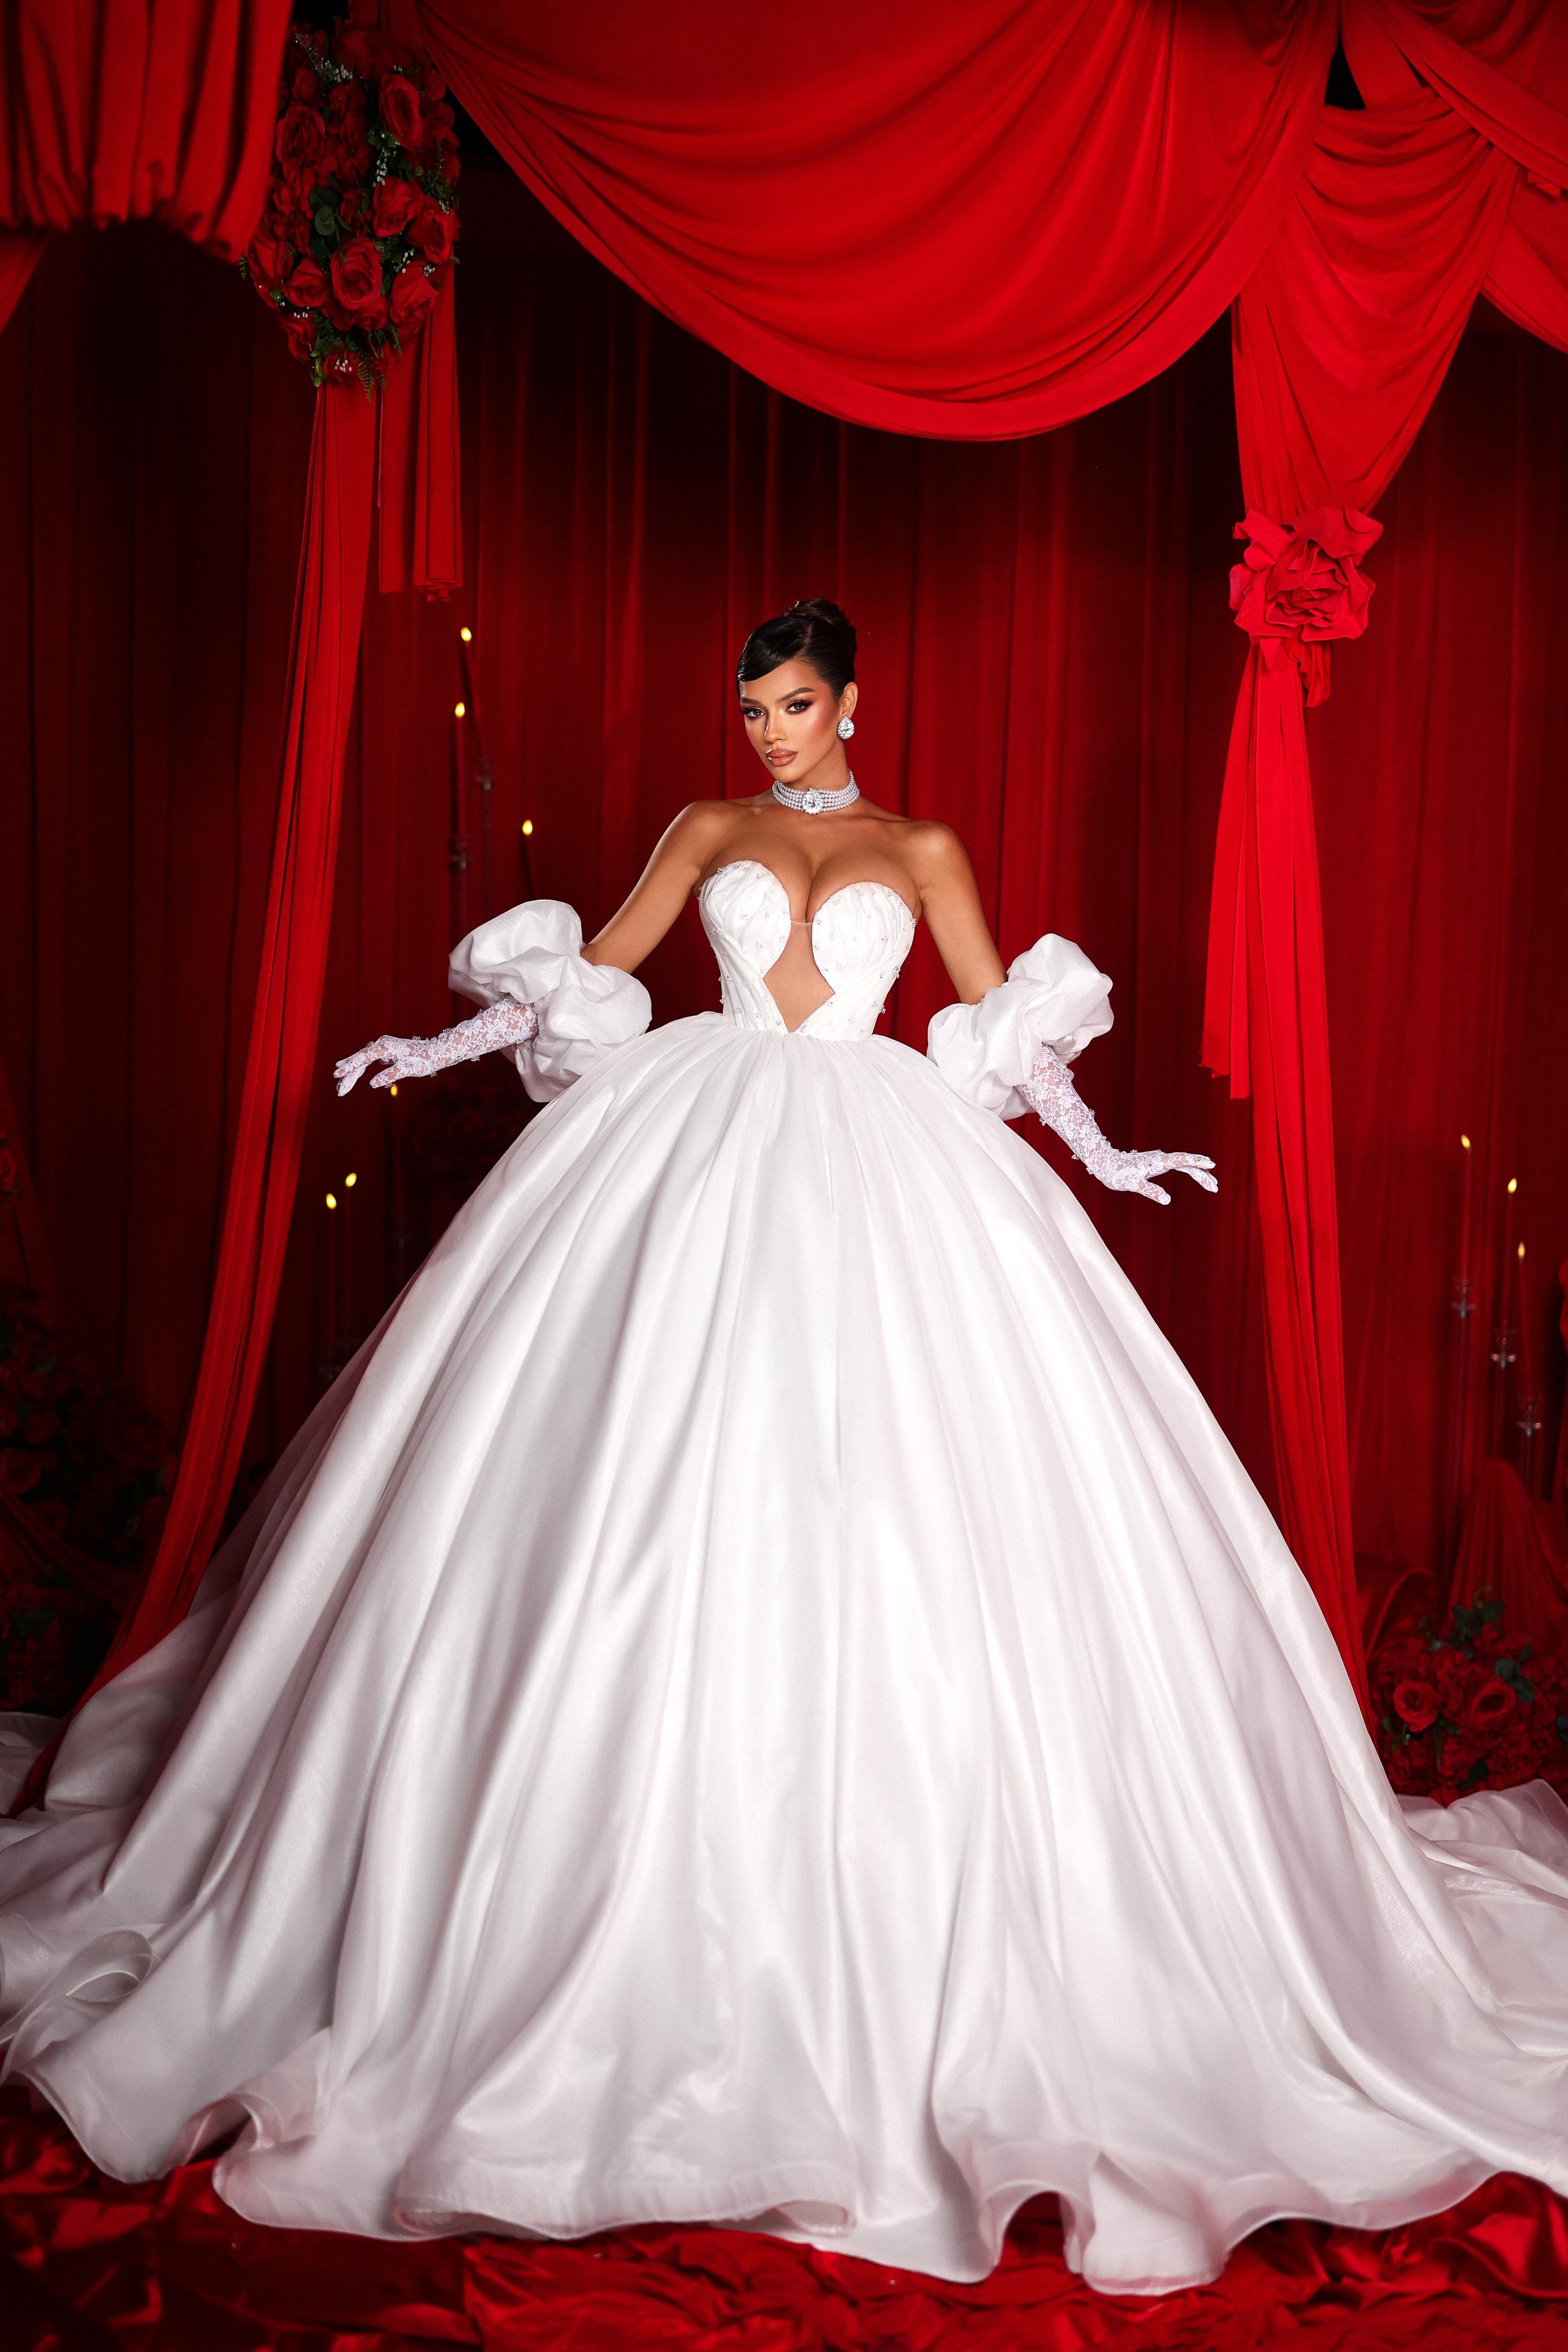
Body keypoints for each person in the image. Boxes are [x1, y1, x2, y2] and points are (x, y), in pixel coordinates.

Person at [3, 598, 1567, 2298]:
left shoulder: (925, 848)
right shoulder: (705, 828)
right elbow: (599, 974)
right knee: (631, 1481)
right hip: (697, 1138)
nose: (769, 733)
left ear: (851, 703)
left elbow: (999, 1026)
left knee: (900, 1496)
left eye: (795, 706)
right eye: (754, 709)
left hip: (890, 1157)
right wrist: (430, 1042)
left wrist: (1111, 1162)